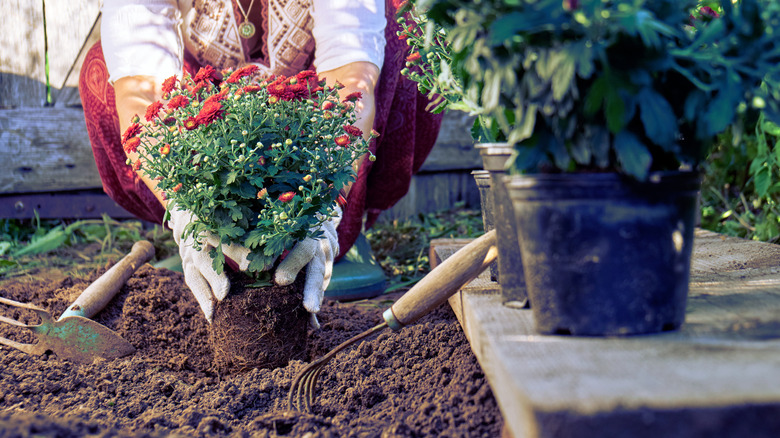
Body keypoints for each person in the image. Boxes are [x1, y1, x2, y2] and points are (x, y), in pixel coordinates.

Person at [79, 0, 442, 325]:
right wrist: (185, 210)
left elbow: (351, 81)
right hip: (212, 141)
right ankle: (206, 245)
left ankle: (335, 231)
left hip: (304, 131)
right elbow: (141, 93)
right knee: (102, 67)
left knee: (402, 37)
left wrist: (324, 209)